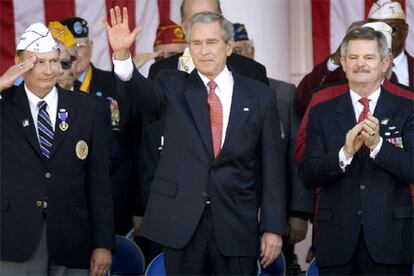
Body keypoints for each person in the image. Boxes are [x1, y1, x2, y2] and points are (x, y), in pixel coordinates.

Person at [104, 7, 287, 274]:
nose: (204, 51)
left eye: (212, 42)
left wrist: (272, 226)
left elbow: (272, 166)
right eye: (196, 43)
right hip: (181, 223)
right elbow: (141, 94)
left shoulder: (259, 96)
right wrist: (122, 55)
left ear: (229, 46)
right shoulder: (172, 84)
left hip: (236, 222)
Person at [0, 22, 114, 276]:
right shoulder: (4, 105)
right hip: (14, 240)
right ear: (19, 61)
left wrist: (103, 244)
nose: (49, 70)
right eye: (38, 62)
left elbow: (99, 182)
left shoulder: (88, 109)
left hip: (73, 240)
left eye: (54, 61)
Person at [298, 26, 413, 274]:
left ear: (385, 63)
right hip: (336, 242)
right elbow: (307, 174)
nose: (360, 64)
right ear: (343, 63)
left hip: (391, 242)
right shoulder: (322, 111)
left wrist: (378, 146)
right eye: (353, 57)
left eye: (369, 57)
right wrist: (344, 154)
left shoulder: (407, 109)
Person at [231, 21, 313, 273]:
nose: (243, 56)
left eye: (246, 50)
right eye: (237, 52)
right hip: (232, 213)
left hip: (276, 212)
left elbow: (294, 156)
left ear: (254, 53)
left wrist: (298, 211)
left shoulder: (283, 93)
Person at [62, 16, 143, 235]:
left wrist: (139, 206)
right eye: (70, 47)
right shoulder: (50, 94)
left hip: (116, 200)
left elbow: (136, 147)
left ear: (91, 46)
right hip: (68, 202)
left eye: (81, 45)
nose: (76, 53)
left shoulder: (117, 84)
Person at [148, 0, 269, 84]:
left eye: (211, 18)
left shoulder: (252, 72)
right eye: (197, 20)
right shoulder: (160, 72)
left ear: (223, 22)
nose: (205, 27)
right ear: (184, 27)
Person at [367, 0, 413, 91]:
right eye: (377, 30)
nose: (385, 35)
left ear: (405, 31)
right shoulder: (357, 69)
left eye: (392, 29)